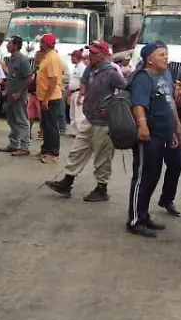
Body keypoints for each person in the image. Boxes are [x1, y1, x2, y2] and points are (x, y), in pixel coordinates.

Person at [44, 41, 123, 203]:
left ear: (103, 54)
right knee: (78, 149)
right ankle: (67, 181)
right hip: (90, 118)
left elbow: (125, 91)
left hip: (104, 123)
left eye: (94, 53)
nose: (91, 55)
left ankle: (102, 188)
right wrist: (82, 95)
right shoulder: (90, 69)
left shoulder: (112, 72)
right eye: (91, 52)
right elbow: (84, 82)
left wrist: (111, 107)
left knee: (102, 155)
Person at [126, 42, 181, 237]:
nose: (166, 58)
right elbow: (138, 104)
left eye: (166, 54)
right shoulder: (143, 76)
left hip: (164, 134)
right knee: (142, 177)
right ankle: (134, 220)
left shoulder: (166, 75)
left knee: (154, 176)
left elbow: (170, 102)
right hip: (148, 134)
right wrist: (142, 125)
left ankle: (144, 215)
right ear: (149, 58)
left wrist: (176, 126)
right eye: (161, 54)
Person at [1, 35, 33, 156]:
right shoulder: (12, 59)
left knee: (22, 120)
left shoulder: (23, 60)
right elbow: (12, 77)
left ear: (15, 46)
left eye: (9, 43)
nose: (7, 45)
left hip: (19, 95)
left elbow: (30, 78)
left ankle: (24, 147)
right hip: (11, 95)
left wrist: (19, 92)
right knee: (12, 120)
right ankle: (14, 144)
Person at [34, 33, 65, 163]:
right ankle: (45, 150)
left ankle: (53, 152)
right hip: (44, 96)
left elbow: (53, 80)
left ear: (45, 44)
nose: (40, 45)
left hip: (51, 97)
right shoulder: (47, 57)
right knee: (45, 125)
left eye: (41, 42)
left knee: (52, 125)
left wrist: (46, 99)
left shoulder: (52, 58)